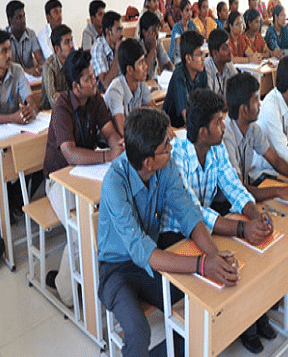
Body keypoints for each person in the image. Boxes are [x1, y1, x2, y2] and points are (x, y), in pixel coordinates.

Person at [98, 107, 238, 357]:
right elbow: (142, 251)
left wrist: (213, 256)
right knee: (139, 334)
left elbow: (188, 213)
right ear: (148, 161)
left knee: (201, 306)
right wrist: (202, 264)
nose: (172, 148)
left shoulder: (165, 166)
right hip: (116, 269)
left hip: (151, 261)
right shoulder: (114, 182)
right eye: (166, 146)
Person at [162, 88, 275, 354]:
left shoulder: (216, 147)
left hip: (203, 227)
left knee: (248, 254)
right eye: (218, 122)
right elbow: (193, 211)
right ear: (203, 131)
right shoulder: (176, 156)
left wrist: (256, 216)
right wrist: (242, 228)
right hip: (175, 234)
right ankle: (239, 324)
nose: (224, 126)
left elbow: (233, 185)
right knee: (229, 257)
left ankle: (253, 314)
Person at [43, 49, 124, 307]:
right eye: (88, 78)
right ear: (76, 86)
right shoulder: (62, 108)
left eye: (92, 75)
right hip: (59, 179)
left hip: (88, 173)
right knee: (80, 230)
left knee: (109, 217)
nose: (94, 80)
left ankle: (97, 275)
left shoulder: (95, 98)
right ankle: (66, 291)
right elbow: (69, 153)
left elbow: (109, 130)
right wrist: (107, 156)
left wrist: (117, 145)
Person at [0, 29, 40, 222]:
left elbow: (30, 100)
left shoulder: (17, 70)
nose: (9, 55)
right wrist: (12, 117)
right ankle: (6, 206)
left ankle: (16, 200)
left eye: (9, 49)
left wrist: (31, 109)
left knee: (40, 156)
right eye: (3, 51)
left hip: (15, 132)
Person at [224, 73, 288, 206]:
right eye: (256, 100)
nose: (259, 105)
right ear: (244, 110)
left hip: (244, 199)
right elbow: (238, 189)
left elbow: (275, 160)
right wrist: (278, 191)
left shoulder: (252, 128)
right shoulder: (226, 138)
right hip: (226, 205)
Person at [104, 39, 156, 136]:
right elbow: (123, 130)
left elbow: (155, 112)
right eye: (141, 63)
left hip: (131, 136)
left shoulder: (140, 83)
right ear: (130, 70)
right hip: (113, 141)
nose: (145, 66)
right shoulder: (116, 90)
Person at [163, 30, 207, 128]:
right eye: (199, 54)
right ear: (188, 58)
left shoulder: (201, 71)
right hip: (174, 128)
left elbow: (207, 102)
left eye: (203, 54)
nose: (203, 59)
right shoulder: (179, 76)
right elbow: (186, 117)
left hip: (192, 124)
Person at [5, 0, 44, 76]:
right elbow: (7, 65)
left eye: (24, 16)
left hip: (31, 78)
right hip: (13, 77)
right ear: (10, 21)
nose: (23, 20)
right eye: (19, 17)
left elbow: (40, 59)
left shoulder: (30, 34)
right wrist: (27, 71)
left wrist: (41, 67)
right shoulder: (4, 38)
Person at [39, 24, 73, 110]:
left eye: (71, 40)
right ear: (57, 49)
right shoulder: (49, 66)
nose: (71, 45)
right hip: (49, 111)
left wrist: (62, 95)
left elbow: (79, 91)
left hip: (70, 108)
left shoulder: (73, 61)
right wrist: (71, 97)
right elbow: (53, 100)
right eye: (67, 42)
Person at [91, 10, 123, 92]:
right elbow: (106, 85)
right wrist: (117, 53)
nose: (122, 34)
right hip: (104, 95)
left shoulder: (120, 42)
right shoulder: (98, 49)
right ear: (108, 32)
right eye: (118, 30)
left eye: (122, 29)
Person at [138, 10, 173, 82]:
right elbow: (142, 73)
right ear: (144, 32)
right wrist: (152, 49)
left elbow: (167, 63)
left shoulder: (158, 42)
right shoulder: (137, 46)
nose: (156, 34)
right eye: (153, 30)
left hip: (154, 83)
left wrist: (173, 73)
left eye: (157, 30)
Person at [204, 28, 238, 97]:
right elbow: (208, 100)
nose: (230, 50)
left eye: (229, 45)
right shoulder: (206, 67)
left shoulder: (228, 64)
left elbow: (239, 86)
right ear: (215, 53)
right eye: (225, 48)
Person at [169, 0, 197, 65]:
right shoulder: (177, 27)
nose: (189, 13)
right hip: (178, 58)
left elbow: (196, 41)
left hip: (189, 57)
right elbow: (181, 46)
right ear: (181, 12)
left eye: (190, 10)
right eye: (187, 10)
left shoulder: (192, 25)